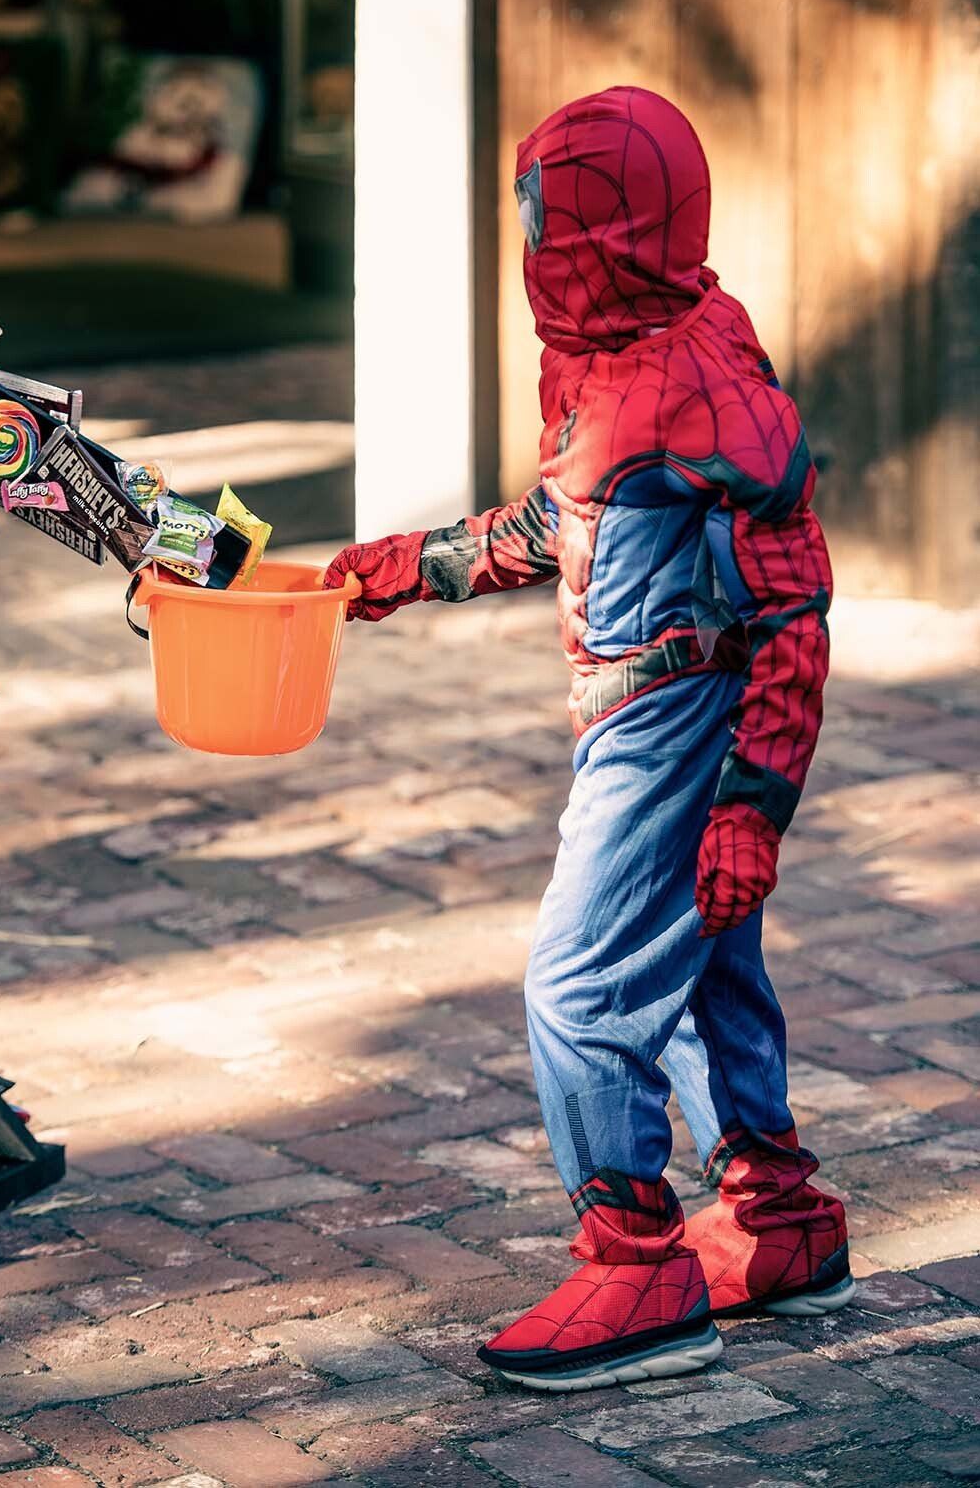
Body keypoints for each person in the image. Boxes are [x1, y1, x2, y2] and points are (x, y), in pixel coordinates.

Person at [323, 87, 852, 1393]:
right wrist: (409, 566)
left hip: (674, 718)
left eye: (551, 215)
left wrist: (750, 803)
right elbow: (579, 519)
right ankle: (778, 1217)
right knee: (700, 966)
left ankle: (637, 1266)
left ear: (611, 231)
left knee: (581, 985)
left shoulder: (702, 375)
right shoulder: (618, 354)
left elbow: (794, 600)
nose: (533, 241)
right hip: (637, 701)